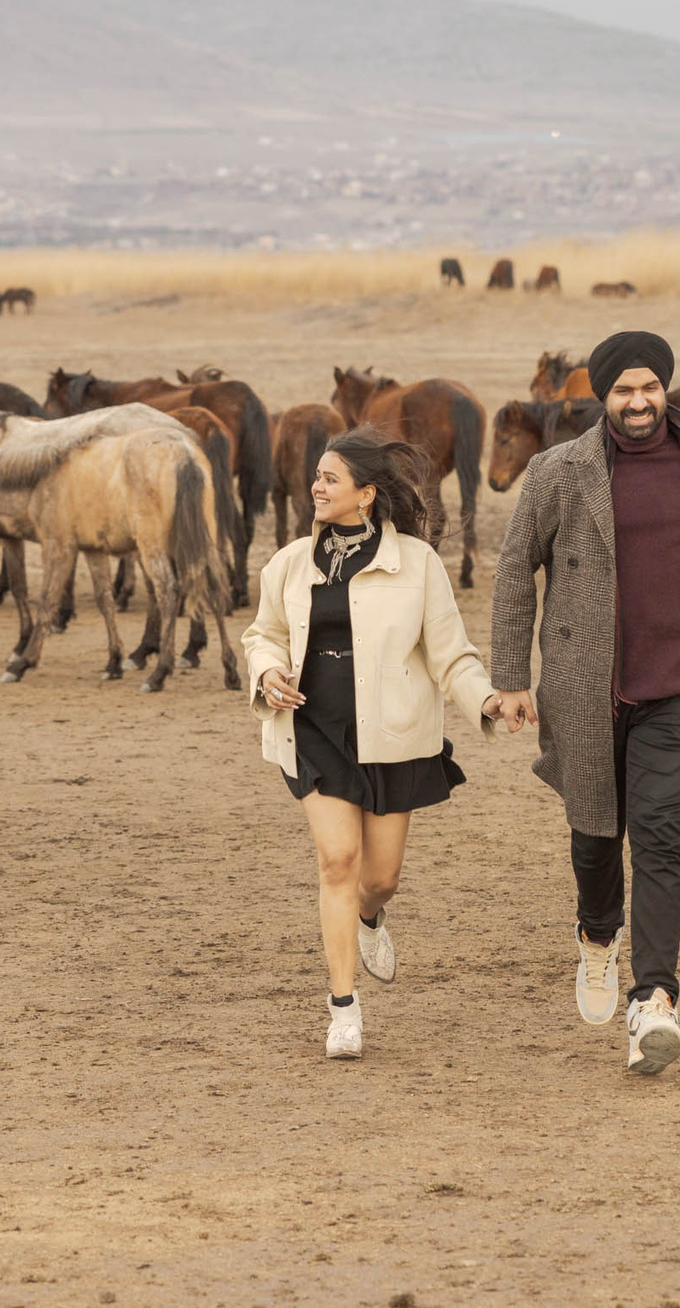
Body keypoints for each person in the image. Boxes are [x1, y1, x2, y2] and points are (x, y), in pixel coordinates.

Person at [490, 330, 680, 1075]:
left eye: (649, 388)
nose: (638, 402)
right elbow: (511, 570)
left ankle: (654, 999)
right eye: (623, 391)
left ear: (665, 389)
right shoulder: (560, 471)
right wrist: (509, 677)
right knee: (595, 830)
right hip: (585, 685)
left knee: (659, 836)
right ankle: (598, 936)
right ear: (602, 396)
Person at [243, 428, 516, 1060]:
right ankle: (343, 1010)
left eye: (330, 479)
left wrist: (486, 699)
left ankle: (370, 917)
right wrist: (267, 670)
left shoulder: (417, 563)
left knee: (380, 878)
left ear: (366, 495)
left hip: (393, 737)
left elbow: (451, 655)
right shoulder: (289, 562)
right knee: (337, 861)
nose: (316, 486)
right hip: (313, 732)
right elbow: (263, 634)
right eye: (317, 477)